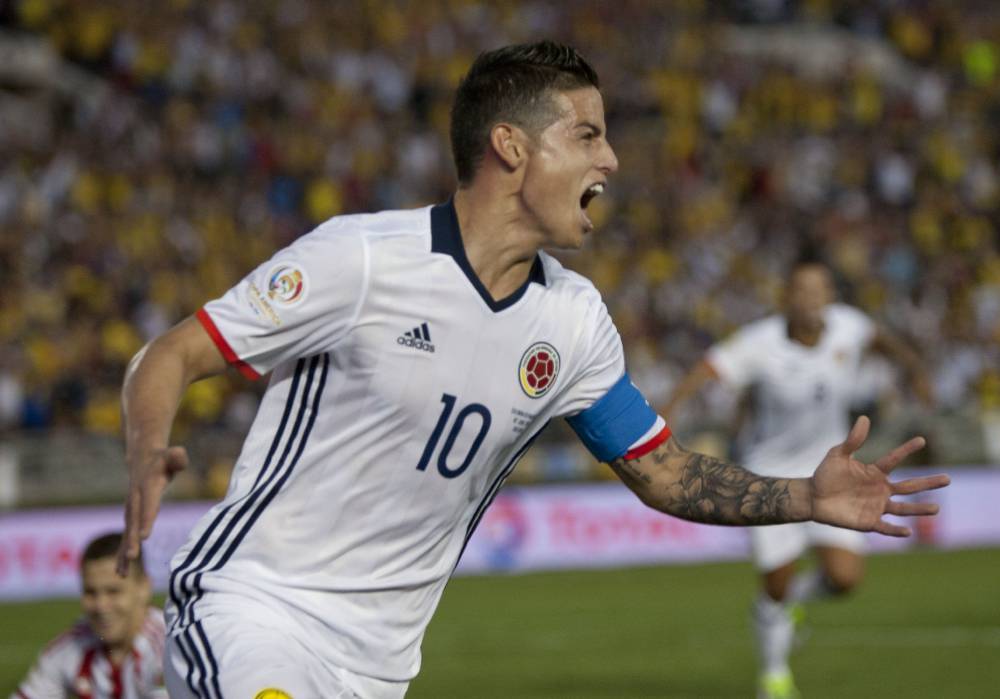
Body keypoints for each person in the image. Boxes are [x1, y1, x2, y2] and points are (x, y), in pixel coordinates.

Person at [117, 41, 947, 698]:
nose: (611, 160)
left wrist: (804, 497)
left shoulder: (573, 321)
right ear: (510, 146)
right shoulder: (363, 259)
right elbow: (174, 352)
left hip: (377, 665)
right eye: (587, 134)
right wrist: (148, 445)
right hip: (254, 609)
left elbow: (662, 471)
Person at [662, 253, 934, 699]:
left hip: (831, 472)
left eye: (818, 290)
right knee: (776, 582)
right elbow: (707, 369)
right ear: (786, 297)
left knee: (844, 579)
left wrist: (915, 369)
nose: (810, 298)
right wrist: (670, 409)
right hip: (770, 475)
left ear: (830, 296)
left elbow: (881, 339)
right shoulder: (760, 342)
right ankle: (774, 676)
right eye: (801, 290)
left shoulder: (848, 326)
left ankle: (794, 603)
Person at [12, 532, 166, 699]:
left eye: (113, 591)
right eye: (91, 592)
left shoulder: (170, 647)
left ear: (144, 588)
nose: (101, 606)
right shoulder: (70, 646)